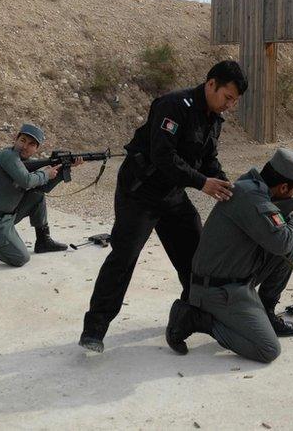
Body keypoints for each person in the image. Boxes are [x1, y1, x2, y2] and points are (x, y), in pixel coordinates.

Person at [80, 60, 247, 353]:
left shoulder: (212, 119)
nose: (229, 106)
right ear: (211, 85)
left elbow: (208, 160)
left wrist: (225, 184)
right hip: (140, 191)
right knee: (124, 256)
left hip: (171, 194)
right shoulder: (173, 105)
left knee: (197, 258)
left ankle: (186, 315)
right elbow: (162, 155)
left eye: (234, 101)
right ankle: (94, 329)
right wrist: (202, 183)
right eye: (228, 97)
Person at [164, 149, 293, 362]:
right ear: (282, 187)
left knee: (289, 248)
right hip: (217, 289)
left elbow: (281, 238)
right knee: (268, 349)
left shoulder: (253, 187)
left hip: (232, 276)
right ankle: (196, 319)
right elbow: (282, 239)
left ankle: (267, 313)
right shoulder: (253, 200)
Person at [0, 124, 81, 267]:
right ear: (15, 139)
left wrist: (63, 168)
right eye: (23, 140)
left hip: (5, 217)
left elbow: (43, 187)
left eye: (31, 144)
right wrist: (45, 173)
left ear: (36, 149)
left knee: (37, 195)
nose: (25, 146)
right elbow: (26, 181)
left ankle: (43, 240)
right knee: (21, 258)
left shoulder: (24, 163)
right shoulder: (7, 155)